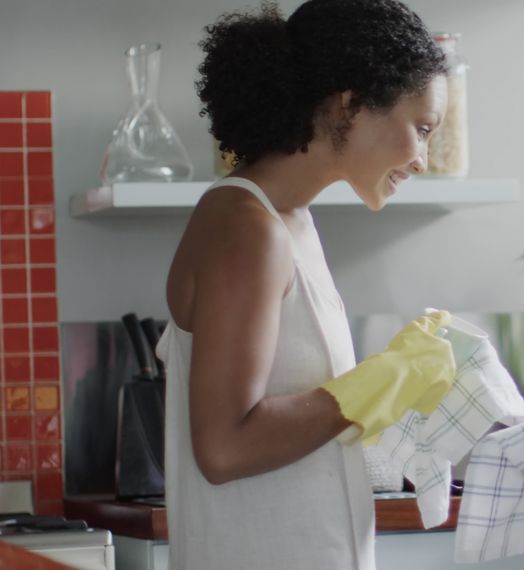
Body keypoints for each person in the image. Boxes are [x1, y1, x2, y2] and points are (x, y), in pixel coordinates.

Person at [157, 1, 455, 568]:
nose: (423, 158)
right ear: (351, 103)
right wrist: (377, 383)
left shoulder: (289, 222)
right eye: (420, 128)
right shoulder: (249, 230)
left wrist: (392, 386)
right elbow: (223, 447)